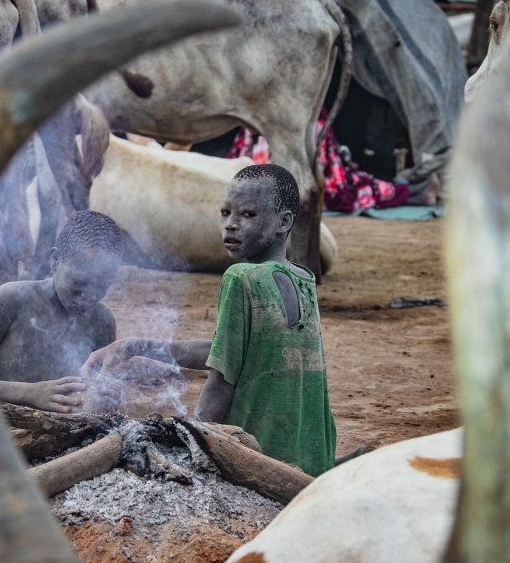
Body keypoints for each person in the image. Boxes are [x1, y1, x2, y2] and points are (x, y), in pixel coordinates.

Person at [83, 164, 337, 476]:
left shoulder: (240, 277)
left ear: (283, 222)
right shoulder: (304, 278)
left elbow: (220, 381)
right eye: (225, 213)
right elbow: (233, 350)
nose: (231, 225)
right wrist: (135, 346)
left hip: (262, 458)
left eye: (247, 215)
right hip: (314, 455)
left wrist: (196, 441)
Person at [0, 210, 123, 413]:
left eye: (102, 286)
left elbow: (93, 395)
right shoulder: (11, 300)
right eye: (79, 282)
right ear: (54, 261)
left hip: (63, 436)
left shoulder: (102, 322)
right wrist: (28, 393)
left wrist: (105, 397)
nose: (89, 295)